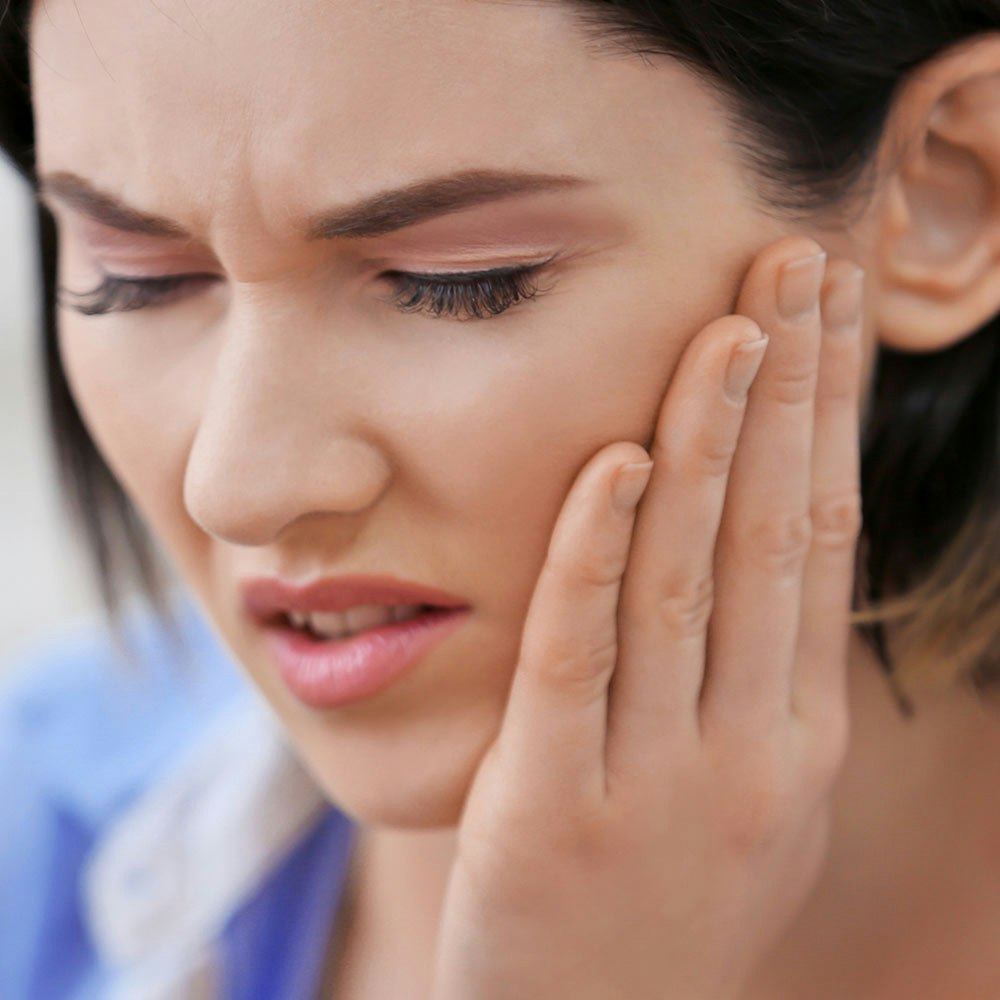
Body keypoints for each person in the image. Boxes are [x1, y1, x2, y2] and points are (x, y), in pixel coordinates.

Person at [0, 0, 998, 996]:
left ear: (952, 188)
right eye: (136, 280)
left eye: (455, 282)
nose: (236, 488)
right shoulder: (37, 832)